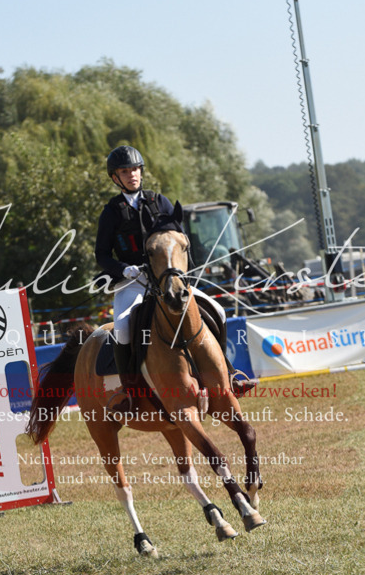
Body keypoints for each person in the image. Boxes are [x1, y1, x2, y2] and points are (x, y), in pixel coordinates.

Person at [95, 145, 253, 414]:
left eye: (135, 169)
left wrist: (178, 269)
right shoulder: (112, 212)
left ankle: (229, 374)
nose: (132, 174)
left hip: (169, 279)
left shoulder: (160, 202)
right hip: (134, 281)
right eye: (125, 171)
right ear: (115, 177)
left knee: (218, 311)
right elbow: (102, 255)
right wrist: (125, 270)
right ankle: (130, 393)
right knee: (121, 328)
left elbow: (180, 241)